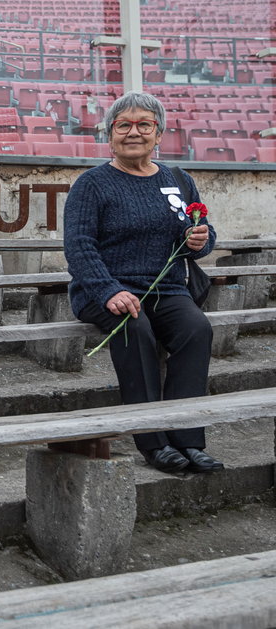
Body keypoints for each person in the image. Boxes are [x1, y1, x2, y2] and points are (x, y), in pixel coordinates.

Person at [64, 91, 223, 474]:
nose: (133, 132)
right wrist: (109, 291)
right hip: (106, 291)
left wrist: (202, 239)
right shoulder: (92, 184)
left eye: (144, 125)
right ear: (111, 134)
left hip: (166, 289)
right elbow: (79, 246)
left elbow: (200, 234)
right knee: (136, 331)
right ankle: (153, 442)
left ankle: (187, 439)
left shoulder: (177, 180)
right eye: (123, 125)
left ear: (158, 134)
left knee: (196, 329)